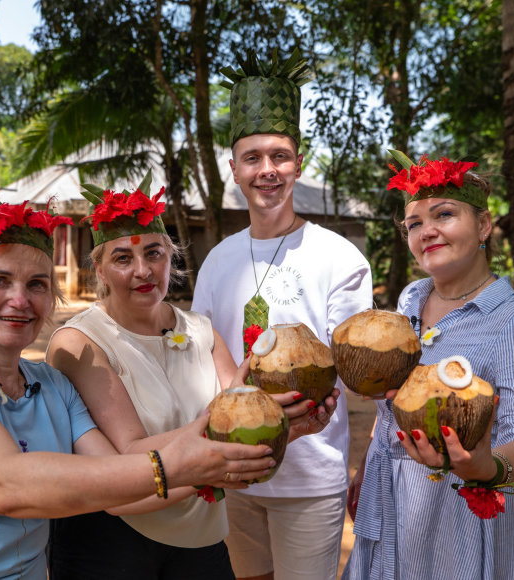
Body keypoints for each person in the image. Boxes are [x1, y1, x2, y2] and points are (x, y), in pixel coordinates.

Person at [0, 199, 277, 579]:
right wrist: (183, 466)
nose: (20, 299)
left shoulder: (51, 386)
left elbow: (117, 483)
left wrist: (233, 440)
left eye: (37, 285)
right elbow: (4, 486)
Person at [45, 176, 336, 579]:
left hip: (202, 535)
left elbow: (240, 420)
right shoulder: (80, 344)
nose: (143, 270)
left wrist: (289, 425)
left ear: (171, 256)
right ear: (99, 268)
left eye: (154, 253)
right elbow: (131, 452)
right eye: (123, 259)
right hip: (114, 540)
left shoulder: (201, 330)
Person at [191, 49, 374, 580]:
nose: (266, 171)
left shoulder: (340, 257)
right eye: (252, 158)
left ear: (299, 163)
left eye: (279, 156)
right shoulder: (218, 261)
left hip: (310, 473)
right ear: (234, 168)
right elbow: (205, 352)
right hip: (232, 466)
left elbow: (357, 366)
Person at [342, 152, 514, 580]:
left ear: (483, 225)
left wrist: (487, 468)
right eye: (414, 223)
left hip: (455, 514)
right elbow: (394, 402)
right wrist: (368, 463)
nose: (427, 231)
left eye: (444, 214)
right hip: (388, 493)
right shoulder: (410, 299)